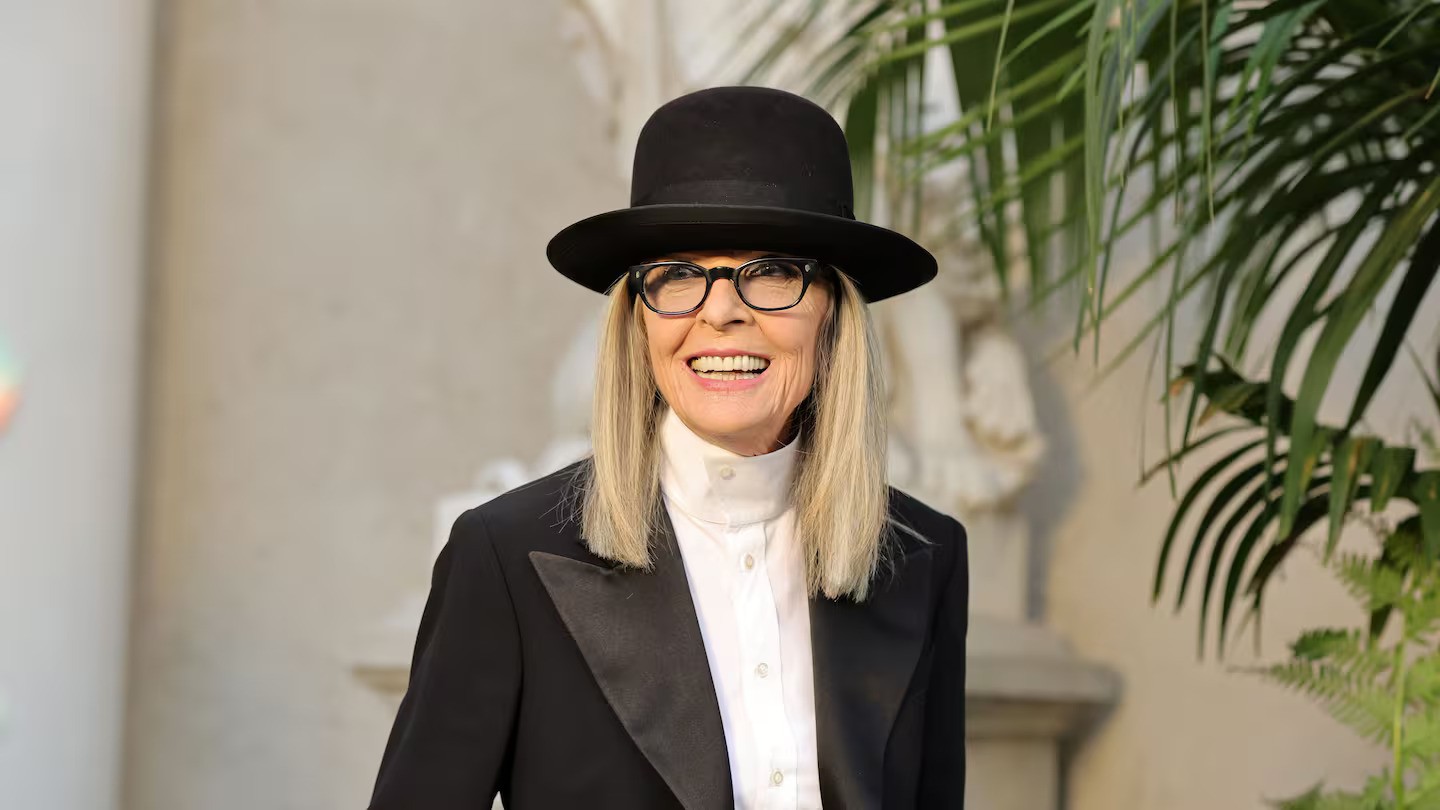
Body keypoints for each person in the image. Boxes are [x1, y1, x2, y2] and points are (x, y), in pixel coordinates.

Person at [367, 85, 968, 810]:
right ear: (637, 319)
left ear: (833, 314)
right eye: (679, 275)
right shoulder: (505, 556)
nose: (720, 313)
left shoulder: (921, 557)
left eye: (772, 272)